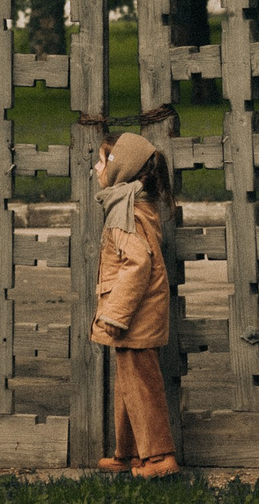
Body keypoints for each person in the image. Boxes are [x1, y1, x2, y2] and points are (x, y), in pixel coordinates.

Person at [90, 131, 177, 478]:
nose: (97, 167)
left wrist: (115, 313)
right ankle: (128, 454)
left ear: (120, 168)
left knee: (142, 383)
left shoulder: (127, 210)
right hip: (135, 315)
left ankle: (159, 458)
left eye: (101, 160)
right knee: (129, 383)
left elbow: (138, 263)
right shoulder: (129, 203)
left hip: (133, 316)